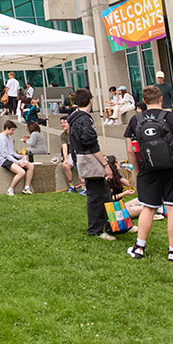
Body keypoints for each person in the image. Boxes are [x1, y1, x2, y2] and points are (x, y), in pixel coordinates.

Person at [123, 85, 173, 263]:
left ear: (143, 101)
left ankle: (139, 248)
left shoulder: (135, 120)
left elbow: (130, 149)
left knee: (148, 208)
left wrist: (138, 169)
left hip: (148, 169)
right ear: (161, 99)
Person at [66, 90, 114, 237]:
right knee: (95, 196)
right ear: (90, 101)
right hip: (89, 159)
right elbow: (91, 143)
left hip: (82, 158)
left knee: (104, 193)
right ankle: (95, 230)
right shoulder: (84, 119)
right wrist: (105, 164)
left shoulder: (74, 117)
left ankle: (112, 225)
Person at [0, 120, 35, 196]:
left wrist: (21, 156)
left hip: (10, 157)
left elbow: (12, 152)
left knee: (30, 166)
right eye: (12, 130)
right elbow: (5, 155)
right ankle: (10, 189)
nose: (13, 132)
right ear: (7, 128)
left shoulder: (9, 137)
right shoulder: (1, 138)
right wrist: (18, 162)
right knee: (21, 172)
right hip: (3, 160)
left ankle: (26, 187)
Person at [57, 116, 80, 192]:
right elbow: (64, 147)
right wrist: (65, 159)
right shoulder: (63, 135)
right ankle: (72, 186)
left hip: (80, 152)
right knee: (66, 166)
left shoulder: (76, 132)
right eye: (61, 123)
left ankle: (84, 187)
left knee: (81, 164)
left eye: (64, 122)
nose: (62, 124)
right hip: (71, 154)